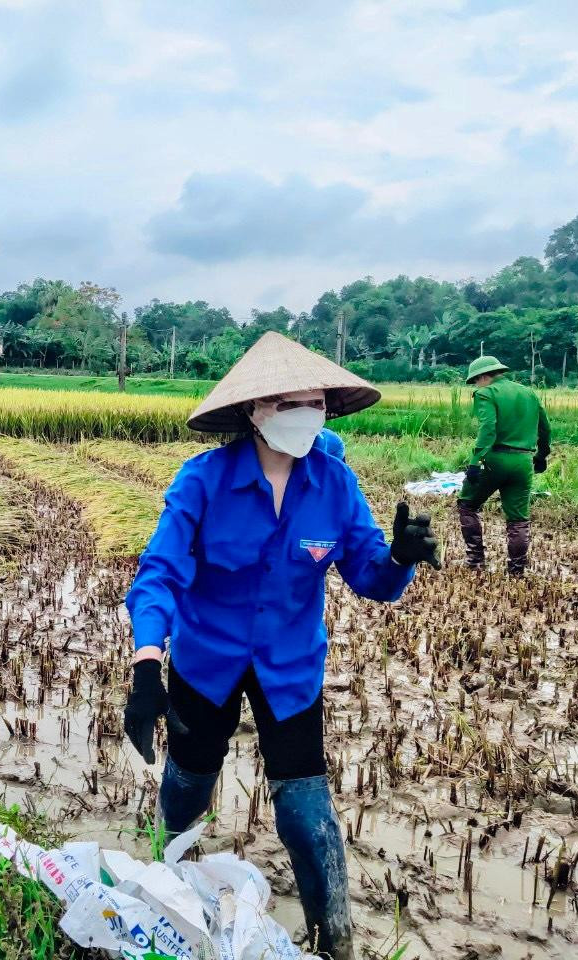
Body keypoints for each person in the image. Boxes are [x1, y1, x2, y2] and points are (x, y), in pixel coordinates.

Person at [121, 332, 440, 960]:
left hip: (290, 667)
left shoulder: (335, 484)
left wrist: (399, 557)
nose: (308, 415)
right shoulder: (203, 482)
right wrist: (146, 668)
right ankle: (168, 880)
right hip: (206, 662)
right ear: (256, 410)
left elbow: (370, 576)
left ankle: (333, 938)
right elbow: (158, 573)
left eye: (317, 403)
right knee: (189, 781)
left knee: (303, 805)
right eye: (294, 402)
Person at [457, 356, 550, 576]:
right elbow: (545, 428)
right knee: (518, 519)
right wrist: (542, 455)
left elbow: (488, 428)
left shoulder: (486, 393)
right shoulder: (529, 393)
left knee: (467, 505)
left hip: (494, 459)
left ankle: (475, 561)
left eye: (476, 381)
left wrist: (475, 462)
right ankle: (516, 570)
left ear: (483, 376)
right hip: (523, 461)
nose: (476, 385)